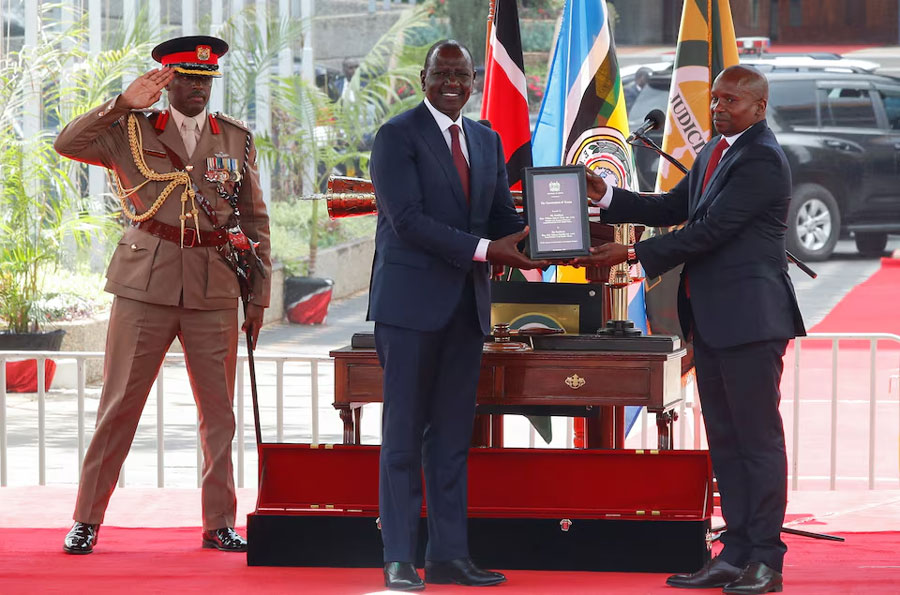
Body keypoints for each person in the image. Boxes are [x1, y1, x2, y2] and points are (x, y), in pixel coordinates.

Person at [577, 65, 805, 595]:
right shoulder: (713, 152)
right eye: (716, 99)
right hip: (711, 318)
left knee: (757, 440)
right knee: (726, 440)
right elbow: (673, 208)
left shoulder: (762, 159)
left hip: (751, 319)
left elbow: (711, 231)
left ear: (760, 107)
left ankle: (766, 560)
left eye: (731, 101)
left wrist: (631, 252)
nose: (719, 108)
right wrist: (607, 196)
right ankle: (735, 554)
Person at [54, 35, 271, 555]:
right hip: (143, 284)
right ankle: (87, 518)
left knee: (219, 413)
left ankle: (219, 521)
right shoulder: (128, 130)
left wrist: (257, 299)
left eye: (205, 81)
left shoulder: (235, 139)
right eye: (187, 80)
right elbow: (66, 143)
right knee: (120, 405)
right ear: (167, 82)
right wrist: (121, 103)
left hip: (214, 284)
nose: (197, 89)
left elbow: (256, 221)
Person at [368, 39, 543, 591]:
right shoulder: (397, 136)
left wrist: (549, 233)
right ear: (423, 77)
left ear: (474, 82)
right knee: (401, 437)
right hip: (409, 310)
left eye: (462, 75)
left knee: (450, 440)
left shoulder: (487, 141)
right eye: (442, 73)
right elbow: (409, 221)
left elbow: (498, 217)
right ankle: (399, 557)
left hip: (465, 311)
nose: (452, 83)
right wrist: (489, 251)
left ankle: (448, 555)